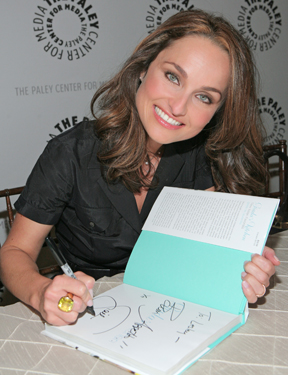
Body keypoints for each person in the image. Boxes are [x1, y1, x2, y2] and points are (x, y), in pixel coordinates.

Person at [0, 9, 280, 326]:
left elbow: (205, 258)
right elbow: (15, 251)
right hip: (89, 314)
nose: (178, 107)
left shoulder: (206, 157)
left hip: (169, 314)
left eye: (203, 97)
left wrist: (244, 271)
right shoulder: (71, 153)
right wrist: (41, 293)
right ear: (144, 67)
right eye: (173, 77)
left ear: (218, 111)